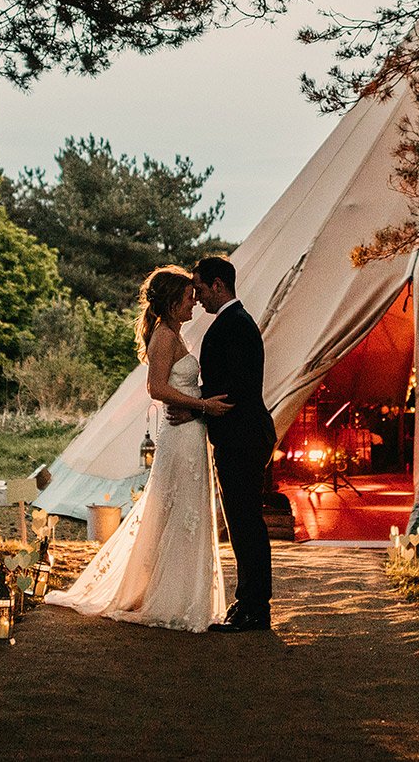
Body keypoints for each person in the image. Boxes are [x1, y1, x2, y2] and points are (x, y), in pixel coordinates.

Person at [45, 266, 232, 631]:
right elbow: (156, 388)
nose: (193, 301)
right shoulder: (164, 336)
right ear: (172, 302)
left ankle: (181, 594)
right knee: (178, 509)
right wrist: (203, 406)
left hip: (190, 432)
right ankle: (170, 599)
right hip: (180, 435)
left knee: (185, 510)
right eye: (187, 297)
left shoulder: (175, 334)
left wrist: (197, 405)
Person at [176, 254, 278, 632]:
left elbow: (232, 391)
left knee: (246, 523)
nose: (198, 297)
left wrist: (194, 409)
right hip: (244, 436)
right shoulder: (237, 323)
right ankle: (247, 603)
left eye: (201, 288)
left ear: (219, 285)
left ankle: (254, 609)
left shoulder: (232, 326)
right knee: (242, 523)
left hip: (242, 438)